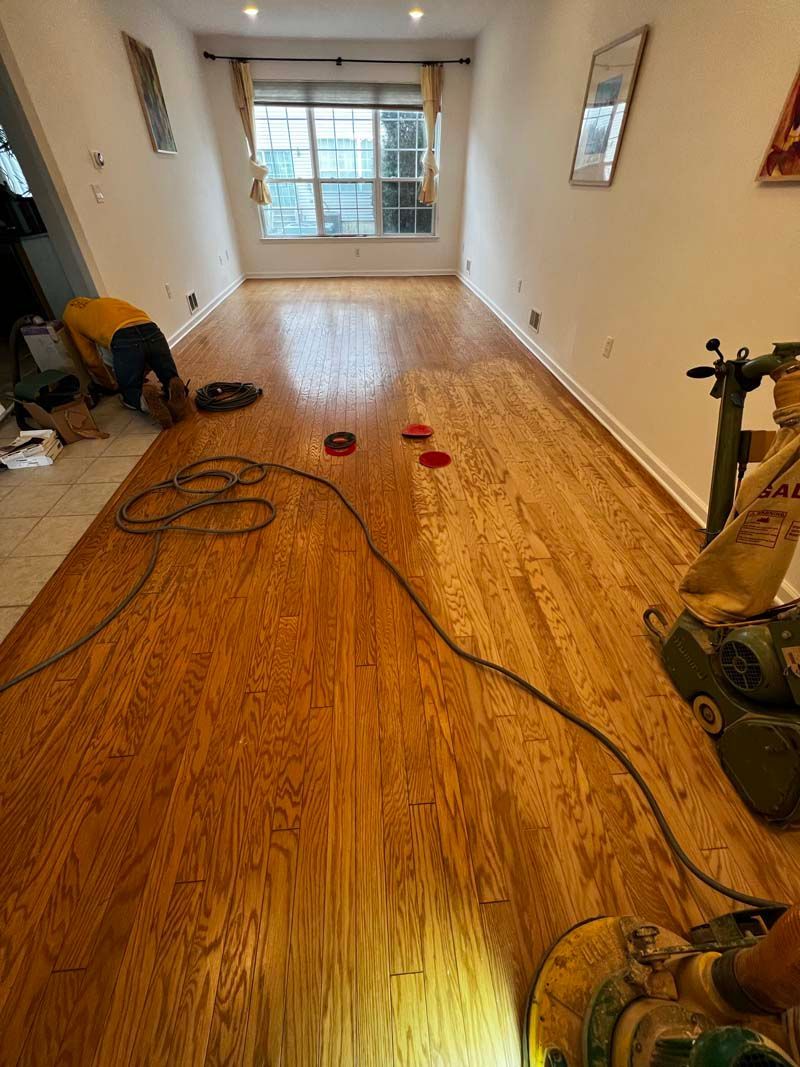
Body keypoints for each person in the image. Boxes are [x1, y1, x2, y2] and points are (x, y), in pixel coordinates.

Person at [62, 296, 190, 428]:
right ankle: (173, 384)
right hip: (152, 330)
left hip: (125, 340)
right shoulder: (104, 302)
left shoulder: (69, 317)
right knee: (168, 374)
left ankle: (144, 400)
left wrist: (111, 385)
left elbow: (91, 360)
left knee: (129, 390)